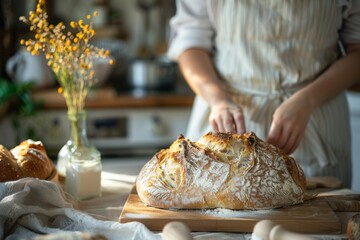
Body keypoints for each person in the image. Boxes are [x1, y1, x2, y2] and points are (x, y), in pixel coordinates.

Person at [167, 0, 360, 188]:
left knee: (322, 217)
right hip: (225, 115)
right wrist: (217, 99)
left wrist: (307, 100)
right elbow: (190, 43)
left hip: (316, 117)